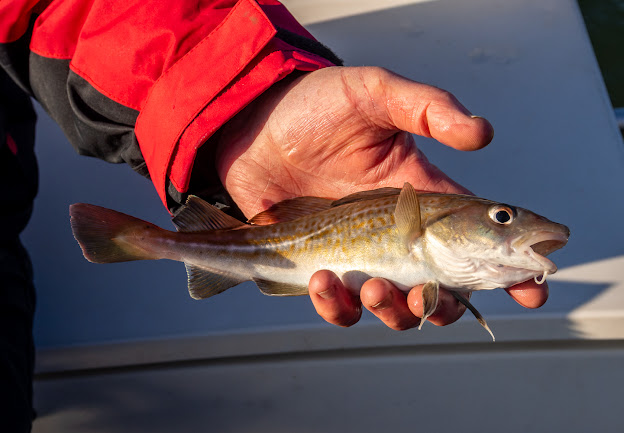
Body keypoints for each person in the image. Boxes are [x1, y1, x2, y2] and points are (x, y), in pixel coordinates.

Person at [0, 1, 548, 431]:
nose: (514, 226)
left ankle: (156, 241)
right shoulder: (416, 218)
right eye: (501, 217)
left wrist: (254, 100)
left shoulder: (433, 236)